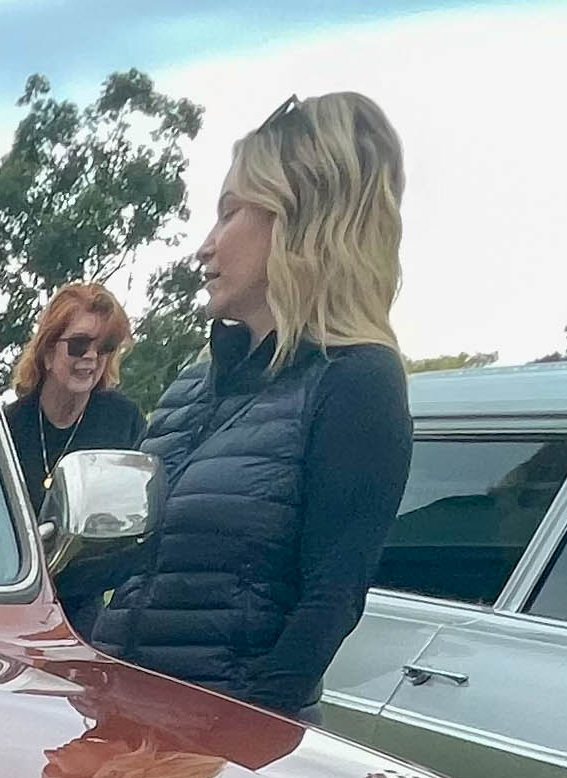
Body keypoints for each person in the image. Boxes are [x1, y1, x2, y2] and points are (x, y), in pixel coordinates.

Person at [84, 93, 412, 719]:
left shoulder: (357, 380)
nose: (204, 247)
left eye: (230, 212)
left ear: (301, 218)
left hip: (218, 744)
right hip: (121, 721)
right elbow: (121, 566)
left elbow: (330, 603)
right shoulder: (193, 385)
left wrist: (238, 746)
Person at [3, 282, 146, 504]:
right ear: (48, 350)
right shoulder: (8, 428)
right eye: (79, 344)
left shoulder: (124, 420)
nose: (91, 355)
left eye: (105, 347)